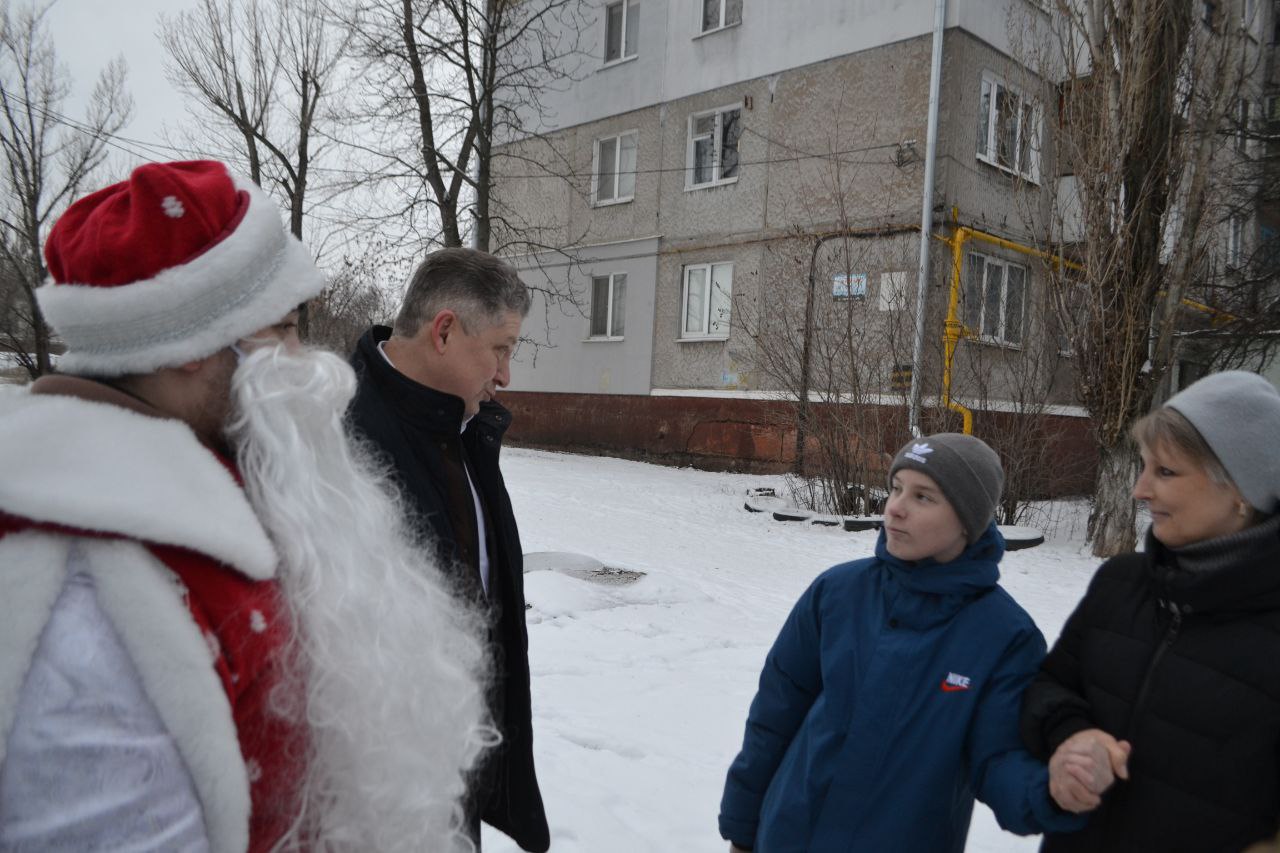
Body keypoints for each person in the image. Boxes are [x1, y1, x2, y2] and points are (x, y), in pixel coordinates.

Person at [0, 160, 492, 852]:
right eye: (285, 330)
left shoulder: (210, 487)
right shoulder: (90, 599)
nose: (307, 361)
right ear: (190, 351)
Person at [719, 433, 1083, 852]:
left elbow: (998, 757)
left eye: (923, 496)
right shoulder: (838, 593)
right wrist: (742, 828)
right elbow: (774, 718)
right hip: (788, 835)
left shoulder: (1004, 636)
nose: (895, 507)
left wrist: (1050, 791)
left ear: (968, 519)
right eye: (896, 488)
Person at [1021, 370, 1280, 853]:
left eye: (1165, 472)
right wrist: (1072, 739)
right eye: (1143, 467)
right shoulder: (1121, 582)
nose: (1140, 490)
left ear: (1242, 488)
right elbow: (1048, 686)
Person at [348, 247, 548, 852]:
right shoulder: (338, 432)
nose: (506, 375)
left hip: (452, 768)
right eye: (501, 348)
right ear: (444, 331)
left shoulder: (462, 426)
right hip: (372, 792)